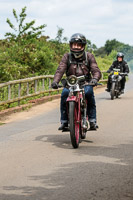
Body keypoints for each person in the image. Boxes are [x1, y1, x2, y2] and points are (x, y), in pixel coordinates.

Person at [51, 33, 101, 131]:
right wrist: (55, 82)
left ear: (83, 46)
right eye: (74, 44)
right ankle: (64, 121)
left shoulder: (89, 56)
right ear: (70, 45)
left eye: (78, 45)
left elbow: (96, 70)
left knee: (89, 93)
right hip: (71, 83)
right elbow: (60, 70)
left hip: (86, 82)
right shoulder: (67, 56)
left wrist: (95, 79)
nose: (76, 47)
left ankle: (92, 120)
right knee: (64, 94)